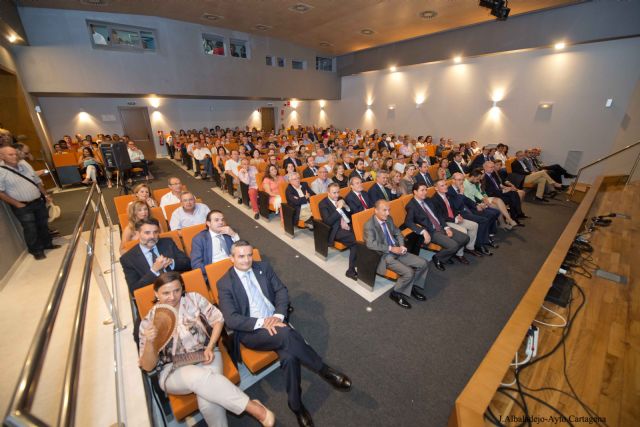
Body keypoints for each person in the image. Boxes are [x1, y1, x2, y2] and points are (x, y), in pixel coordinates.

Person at [217, 241, 351, 427]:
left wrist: (278, 316)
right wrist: (263, 323)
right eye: (241, 256)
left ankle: (296, 405)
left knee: (289, 357)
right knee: (287, 334)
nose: (247, 260)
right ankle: (323, 370)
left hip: (276, 320)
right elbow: (232, 319)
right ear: (231, 258)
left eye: (249, 255)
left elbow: (281, 291)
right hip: (252, 331)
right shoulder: (224, 283)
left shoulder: (263, 267)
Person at [138, 272, 275, 427]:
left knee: (208, 404)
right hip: (172, 369)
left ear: (182, 287)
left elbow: (218, 319)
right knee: (195, 377)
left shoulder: (193, 299)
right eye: (166, 293)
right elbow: (148, 366)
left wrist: (210, 346)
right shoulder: (149, 322)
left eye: (177, 290)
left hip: (205, 354)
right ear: (156, 293)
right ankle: (254, 408)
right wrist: (150, 342)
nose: (172, 297)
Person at [363, 199, 429, 309]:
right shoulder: (369, 225)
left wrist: (402, 245)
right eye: (384, 210)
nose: (388, 213)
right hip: (385, 256)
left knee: (423, 263)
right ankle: (396, 293)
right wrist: (391, 248)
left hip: (398, 250)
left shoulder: (388, 218)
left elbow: (398, 232)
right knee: (409, 272)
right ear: (376, 210)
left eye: (389, 210)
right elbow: (371, 244)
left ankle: (411, 286)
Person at [0, 146, 60, 260]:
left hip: (38, 201)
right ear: (2, 156)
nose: (15, 156)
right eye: (10, 155)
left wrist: (46, 195)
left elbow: (37, 181)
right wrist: (17, 204)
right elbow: (0, 192)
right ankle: (36, 250)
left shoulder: (24, 165)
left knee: (43, 224)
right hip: (22, 206)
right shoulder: (1, 171)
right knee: (30, 228)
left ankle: (47, 244)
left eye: (15, 154)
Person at [404, 182, 469, 271]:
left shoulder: (428, 200)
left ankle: (445, 256)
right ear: (415, 192)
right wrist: (423, 231)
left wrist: (446, 227)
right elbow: (408, 222)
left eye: (426, 190)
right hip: (431, 231)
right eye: (422, 190)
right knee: (453, 246)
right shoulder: (411, 205)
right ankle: (438, 257)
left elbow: (438, 215)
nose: (425, 192)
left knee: (465, 238)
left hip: (441, 226)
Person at [120, 218, 191, 294]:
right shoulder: (128, 259)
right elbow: (134, 290)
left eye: (155, 232)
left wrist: (172, 262)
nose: (152, 236)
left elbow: (188, 263)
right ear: (138, 234)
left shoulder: (168, 243)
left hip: (178, 289)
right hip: (153, 295)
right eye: (147, 233)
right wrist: (154, 270)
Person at [320, 183, 358, 280]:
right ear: (328, 193)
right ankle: (350, 271)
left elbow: (350, 213)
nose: (337, 195)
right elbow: (328, 221)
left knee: (362, 235)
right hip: (335, 229)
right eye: (334, 193)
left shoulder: (341, 199)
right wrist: (339, 209)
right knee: (355, 241)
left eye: (338, 192)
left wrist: (346, 206)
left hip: (348, 224)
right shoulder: (323, 204)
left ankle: (357, 260)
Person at [190, 210, 240, 274]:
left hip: (234, 267)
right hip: (215, 271)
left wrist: (234, 235)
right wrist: (214, 270)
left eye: (222, 220)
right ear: (208, 223)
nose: (221, 222)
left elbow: (242, 250)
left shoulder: (229, 233)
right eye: (216, 220)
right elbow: (196, 265)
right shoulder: (199, 239)